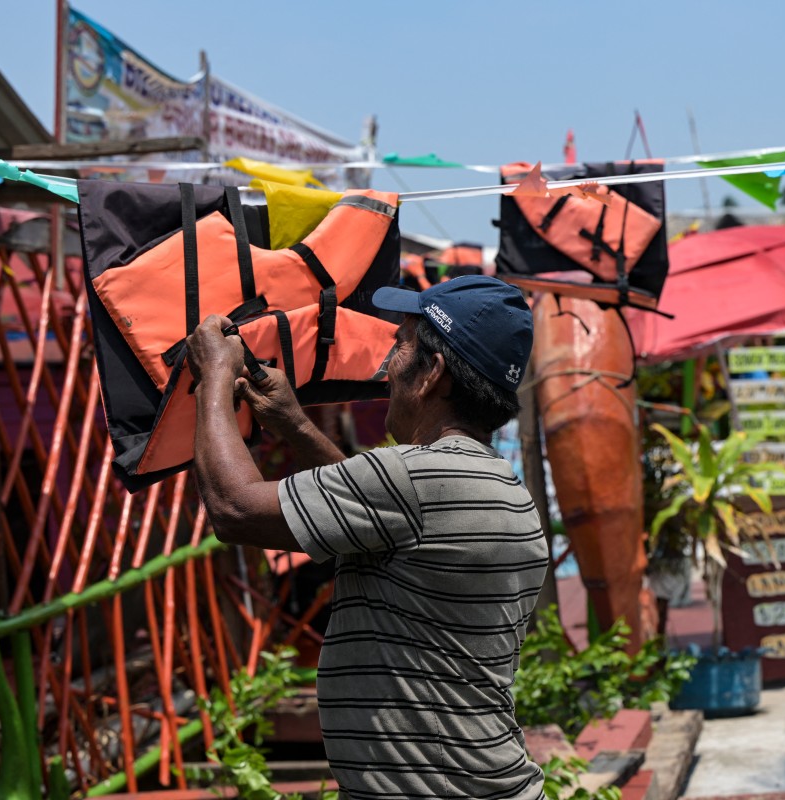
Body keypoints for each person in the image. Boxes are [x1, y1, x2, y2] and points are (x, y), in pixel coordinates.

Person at [185, 275, 548, 799]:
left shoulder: (416, 477)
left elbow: (233, 507)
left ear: (432, 375)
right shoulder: (501, 489)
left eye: (400, 346)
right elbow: (378, 526)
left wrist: (215, 374)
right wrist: (296, 425)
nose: (386, 367)